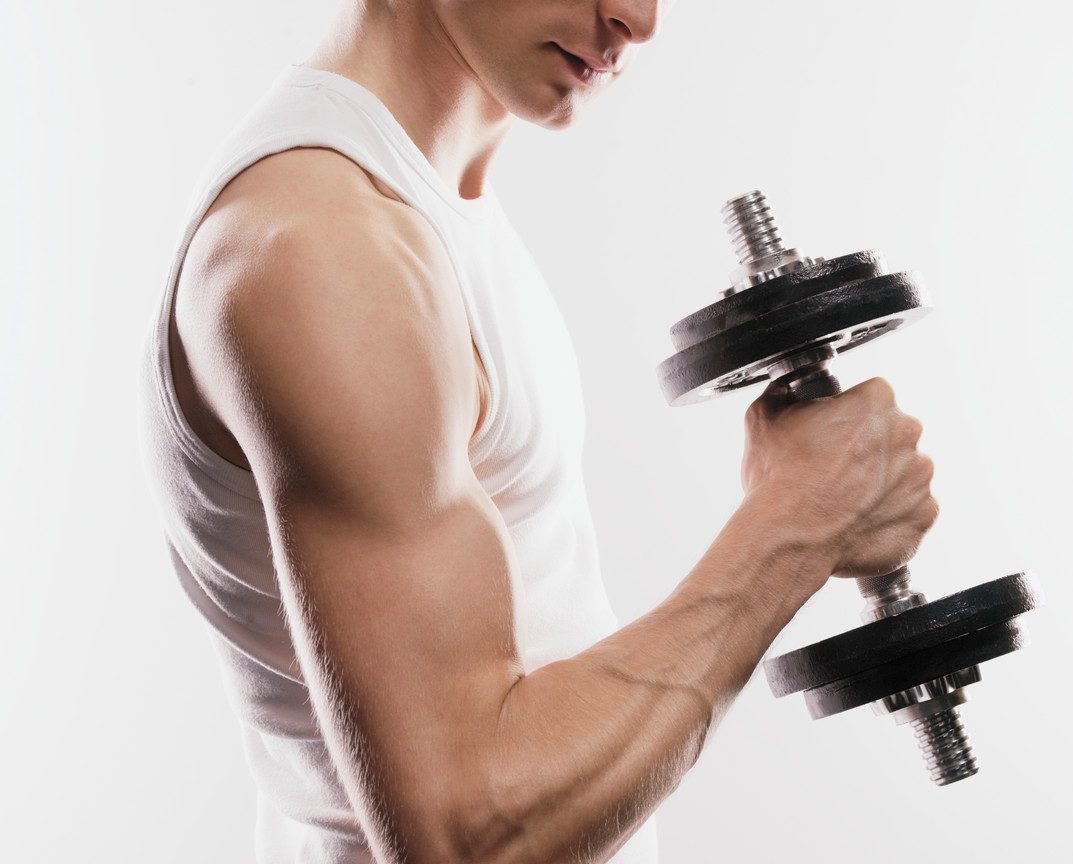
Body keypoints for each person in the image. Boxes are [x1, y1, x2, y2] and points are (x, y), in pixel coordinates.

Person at [137, 1, 939, 861]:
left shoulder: (429, 205)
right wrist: (796, 525)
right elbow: (468, 836)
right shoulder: (326, 254)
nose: (637, 17)